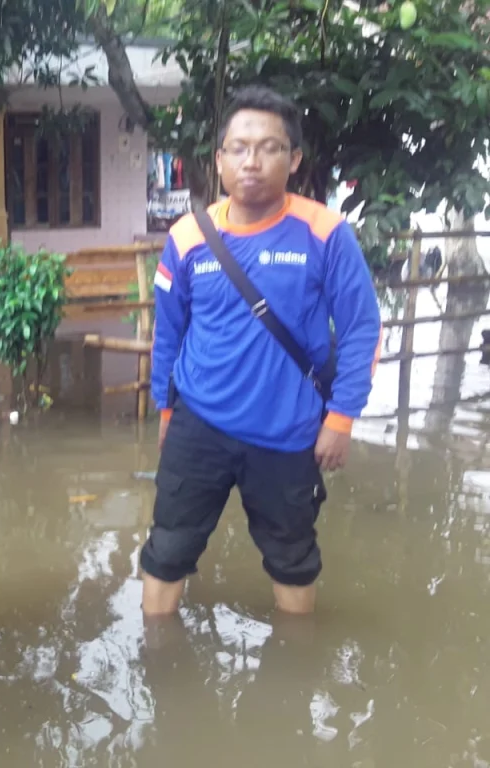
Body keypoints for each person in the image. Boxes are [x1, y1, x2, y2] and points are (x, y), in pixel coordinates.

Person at [142, 85, 382, 617]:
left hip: (289, 432)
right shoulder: (187, 236)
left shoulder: (325, 232)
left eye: (269, 147)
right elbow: (169, 334)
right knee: (167, 550)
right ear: (220, 158)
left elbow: (363, 328)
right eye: (239, 147)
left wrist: (340, 420)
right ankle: (156, 664)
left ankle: (296, 677)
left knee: (293, 557)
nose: (252, 160)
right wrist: (165, 411)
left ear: (293, 159)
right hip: (198, 423)